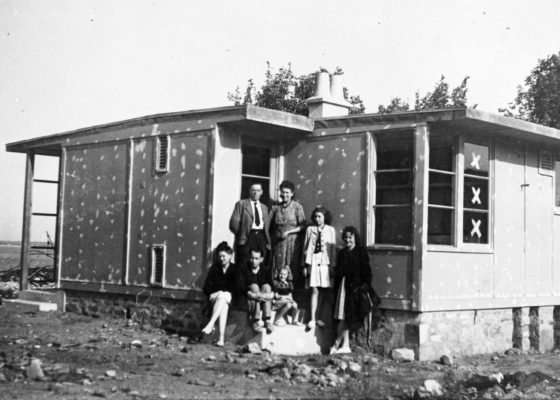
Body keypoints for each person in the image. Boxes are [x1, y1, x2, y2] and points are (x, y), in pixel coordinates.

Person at [331, 226, 372, 354]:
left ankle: (338, 344)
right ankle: (345, 345)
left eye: (350, 237)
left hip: (356, 288)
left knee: (348, 315)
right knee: (343, 315)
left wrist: (365, 286)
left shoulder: (361, 252)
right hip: (343, 287)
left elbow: (367, 271)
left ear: (355, 238)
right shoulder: (342, 253)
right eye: (346, 238)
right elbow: (339, 272)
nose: (348, 240)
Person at [302, 206, 336, 330]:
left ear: (325, 217)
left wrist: (332, 265)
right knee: (314, 290)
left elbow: (332, 250)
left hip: (325, 262)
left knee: (324, 290)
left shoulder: (330, 230)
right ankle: (312, 318)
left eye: (320, 216)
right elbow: (305, 249)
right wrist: (305, 265)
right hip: (313, 260)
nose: (317, 219)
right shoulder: (310, 229)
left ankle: (319, 317)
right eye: (315, 216)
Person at [201, 242, 237, 347]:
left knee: (224, 296)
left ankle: (211, 324)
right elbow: (206, 287)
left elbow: (236, 287)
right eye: (219, 256)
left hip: (231, 298)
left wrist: (221, 292)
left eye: (224, 256)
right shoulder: (214, 268)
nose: (221, 259)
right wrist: (217, 293)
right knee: (223, 303)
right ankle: (221, 338)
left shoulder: (235, 269)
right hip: (217, 299)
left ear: (230, 256)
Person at [270, 180, 306, 281]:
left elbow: (303, 226)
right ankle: (277, 289)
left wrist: (289, 232)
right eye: (282, 192)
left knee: (291, 265)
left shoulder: (297, 207)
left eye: (287, 192)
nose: (284, 194)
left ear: (292, 193)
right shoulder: (275, 207)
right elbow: (269, 224)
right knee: (278, 264)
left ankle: (290, 291)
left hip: (292, 242)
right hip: (278, 242)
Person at [229, 183, 271, 269]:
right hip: (247, 237)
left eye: (258, 190)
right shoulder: (241, 204)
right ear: (249, 191)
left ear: (261, 192)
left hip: (261, 237)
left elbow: (267, 225)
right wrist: (242, 234)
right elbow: (234, 224)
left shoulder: (264, 207)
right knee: (244, 262)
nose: (255, 193)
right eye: (253, 190)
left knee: (261, 264)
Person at [237, 248, 274, 333]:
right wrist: (251, 294)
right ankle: (255, 321)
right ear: (249, 258)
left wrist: (271, 294)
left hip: (261, 299)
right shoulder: (243, 269)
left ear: (261, 259)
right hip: (248, 299)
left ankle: (267, 320)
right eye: (252, 258)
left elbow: (272, 285)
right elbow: (240, 287)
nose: (253, 261)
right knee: (254, 286)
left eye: (256, 258)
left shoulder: (265, 270)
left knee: (267, 286)